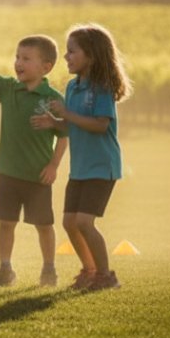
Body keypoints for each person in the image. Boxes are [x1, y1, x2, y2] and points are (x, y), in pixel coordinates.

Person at [0, 28, 66, 288]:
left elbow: (64, 134)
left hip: (38, 175)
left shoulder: (54, 100)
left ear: (46, 66)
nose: (18, 63)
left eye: (26, 59)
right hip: (8, 171)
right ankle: (5, 268)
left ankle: (49, 269)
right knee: (6, 222)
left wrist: (54, 165)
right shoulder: (9, 88)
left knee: (43, 225)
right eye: (17, 57)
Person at [32, 23, 131, 291]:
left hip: (101, 166)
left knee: (84, 222)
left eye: (72, 51)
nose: (66, 57)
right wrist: (54, 122)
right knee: (69, 223)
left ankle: (106, 276)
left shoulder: (102, 88)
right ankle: (89, 270)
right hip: (80, 169)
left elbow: (100, 125)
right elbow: (72, 126)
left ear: (92, 55)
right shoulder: (73, 88)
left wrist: (65, 114)